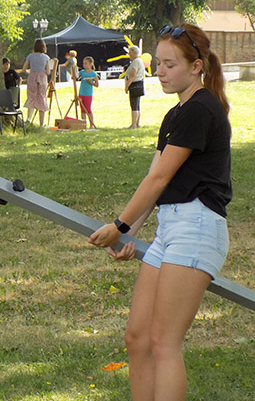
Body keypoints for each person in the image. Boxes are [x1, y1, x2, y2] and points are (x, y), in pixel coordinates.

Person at [88, 23, 231, 401]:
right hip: (172, 228)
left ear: (197, 66)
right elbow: (155, 180)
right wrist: (130, 232)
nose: (159, 72)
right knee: (137, 338)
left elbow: (158, 179)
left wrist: (119, 226)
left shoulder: (201, 108)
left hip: (197, 226)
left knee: (163, 342)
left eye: (169, 65)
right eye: (158, 63)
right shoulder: (175, 115)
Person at [21, 39, 51, 126]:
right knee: (42, 97)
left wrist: (29, 72)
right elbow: (48, 72)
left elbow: (23, 69)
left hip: (32, 77)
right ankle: (42, 123)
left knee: (31, 96)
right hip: (42, 77)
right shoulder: (46, 57)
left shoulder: (30, 56)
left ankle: (29, 119)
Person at [125, 45, 146, 128]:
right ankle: (137, 123)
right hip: (139, 84)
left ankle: (133, 124)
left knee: (134, 104)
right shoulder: (139, 61)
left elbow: (132, 74)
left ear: (134, 53)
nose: (129, 54)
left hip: (135, 84)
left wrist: (127, 85)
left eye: (130, 52)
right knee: (137, 104)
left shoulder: (135, 62)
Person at [78, 56, 98, 129]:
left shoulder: (93, 74)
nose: (84, 65)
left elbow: (97, 84)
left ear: (91, 64)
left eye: (86, 63)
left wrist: (91, 82)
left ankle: (91, 124)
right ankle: (83, 124)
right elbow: (75, 77)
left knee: (88, 109)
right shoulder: (82, 72)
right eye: (84, 63)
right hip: (81, 92)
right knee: (82, 109)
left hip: (88, 94)